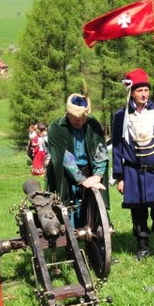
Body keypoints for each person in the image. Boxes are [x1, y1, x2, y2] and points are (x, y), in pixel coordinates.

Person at [111, 68, 154, 261]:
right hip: (133, 172)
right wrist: (120, 177)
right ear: (131, 92)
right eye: (139, 90)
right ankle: (142, 248)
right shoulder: (120, 116)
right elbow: (117, 148)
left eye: (146, 90)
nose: (143, 94)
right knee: (138, 216)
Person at [46, 93, 109, 227]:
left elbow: (101, 150)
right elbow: (64, 159)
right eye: (76, 120)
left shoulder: (93, 124)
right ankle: (70, 240)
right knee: (67, 208)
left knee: (94, 209)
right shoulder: (56, 127)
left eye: (83, 120)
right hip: (64, 175)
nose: (80, 123)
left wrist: (97, 175)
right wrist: (83, 180)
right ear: (68, 114)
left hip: (89, 171)